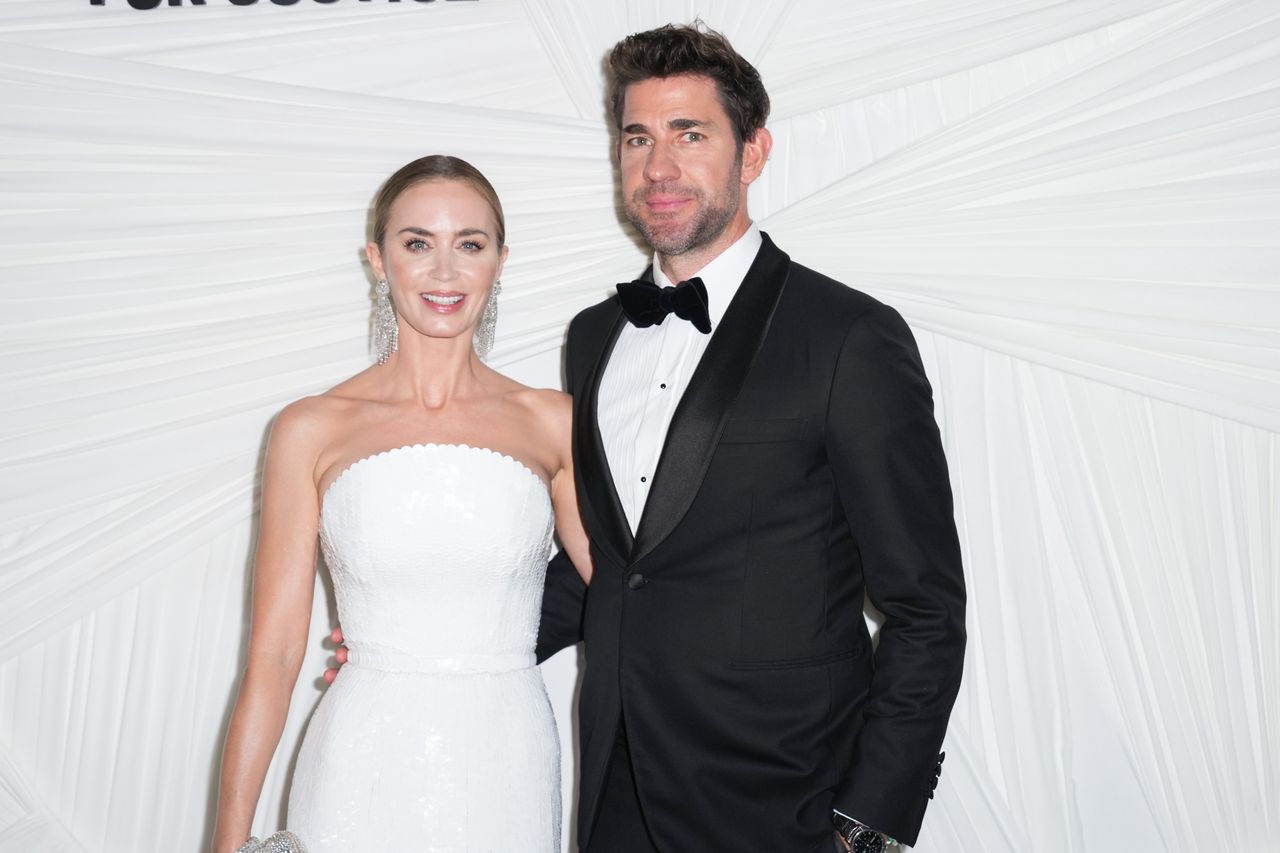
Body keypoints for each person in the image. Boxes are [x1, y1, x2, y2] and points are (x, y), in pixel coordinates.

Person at [531, 23, 968, 852]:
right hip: (615, 796)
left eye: (689, 135)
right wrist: (427, 639)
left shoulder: (849, 337)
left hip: (787, 802)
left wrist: (868, 824)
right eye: (638, 137)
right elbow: (607, 562)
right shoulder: (592, 337)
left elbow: (925, 608)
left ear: (753, 152)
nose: (659, 167)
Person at [211, 155, 591, 853]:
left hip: (508, 759)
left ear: (500, 261)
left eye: (469, 245)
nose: (443, 273)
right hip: (359, 762)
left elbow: (630, 593)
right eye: (417, 243)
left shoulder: (555, 422)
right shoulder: (310, 428)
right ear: (377, 260)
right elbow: (272, 654)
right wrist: (226, 842)